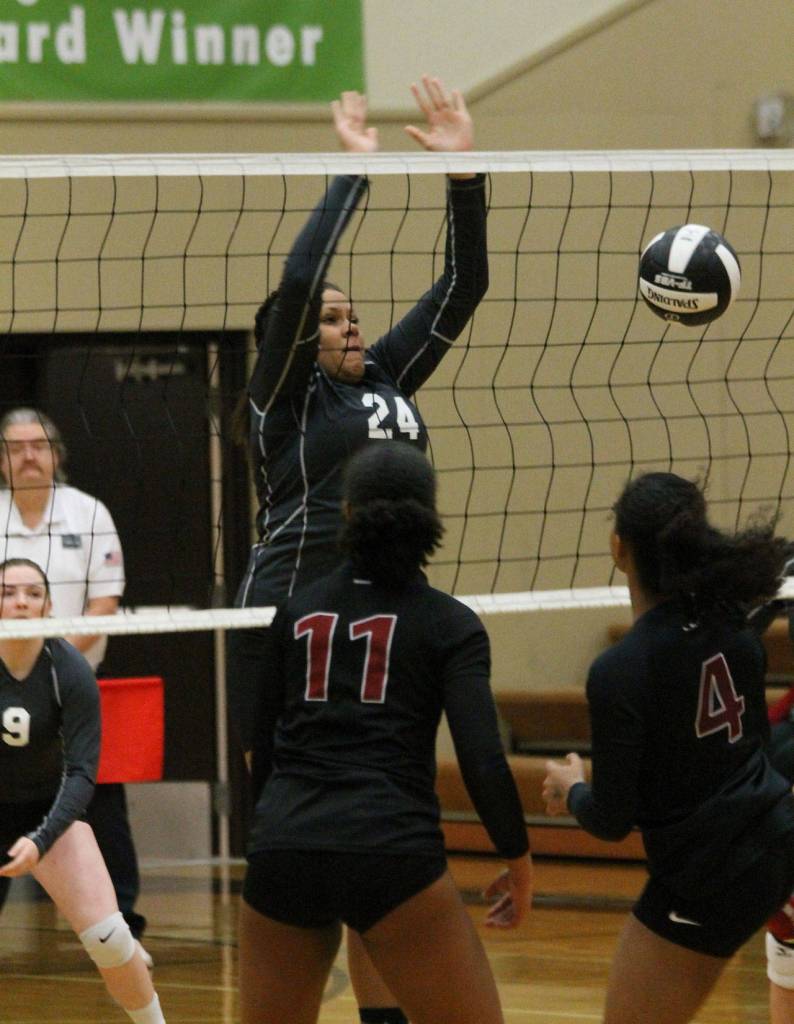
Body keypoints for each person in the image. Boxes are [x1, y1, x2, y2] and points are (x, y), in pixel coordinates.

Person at [228, 76, 488, 1023]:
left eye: (352, 315)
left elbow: (466, 287)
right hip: (286, 623)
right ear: (292, 346)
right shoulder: (283, 403)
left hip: (382, 620)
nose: (351, 325)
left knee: (389, 827)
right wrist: (351, 175)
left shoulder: (385, 376)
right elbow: (299, 288)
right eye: (335, 320)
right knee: (298, 825)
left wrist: (464, 168)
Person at [230, 442, 533, 1024]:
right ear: (430, 519)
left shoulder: (295, 612)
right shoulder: (450, 624)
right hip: (391, 849)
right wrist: (517, 859)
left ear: (345, 513)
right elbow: (482, 760)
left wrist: (275, 837)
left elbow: (262, 750)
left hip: (286, 847)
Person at [542, 471, 794, 1024]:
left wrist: (573, 787)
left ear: (618, 549)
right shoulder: (732, 623)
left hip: (710, 874)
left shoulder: (620, 670)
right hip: (778, 839)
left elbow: (611, 819)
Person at [0, 407, 150, 963]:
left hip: (75, 675)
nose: (29, 455)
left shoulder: (88, 512)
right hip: (2, 681)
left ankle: (123, 922)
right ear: (3, 459)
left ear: (56, 454)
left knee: (98, 794)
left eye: (38, 445)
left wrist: (57, 665)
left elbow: (104, 602)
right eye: (16, 448)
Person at [0, 558, 166, 1023]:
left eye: (32, 594)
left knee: (111, 938)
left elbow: (82, 775)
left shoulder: (68, 670)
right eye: (8, 592)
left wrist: (42, 838)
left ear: (49, 606)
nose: (20, 602)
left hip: (47, 815)